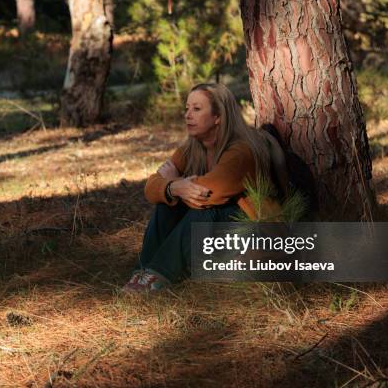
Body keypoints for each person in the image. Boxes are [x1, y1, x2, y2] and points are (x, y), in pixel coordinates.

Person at [123, 83, 286, 293]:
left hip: (255, 237)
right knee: (165, 204)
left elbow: (207, 194)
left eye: (197, 109)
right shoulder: (193, 148)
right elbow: (151, 188)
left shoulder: (242, 150)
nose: (188, 115)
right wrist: (173, 187)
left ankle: (158, 273)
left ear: (218, 116)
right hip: (217, 239)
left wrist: (176, 185)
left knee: (207, 210)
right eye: (187, 109)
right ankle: (143, 272)